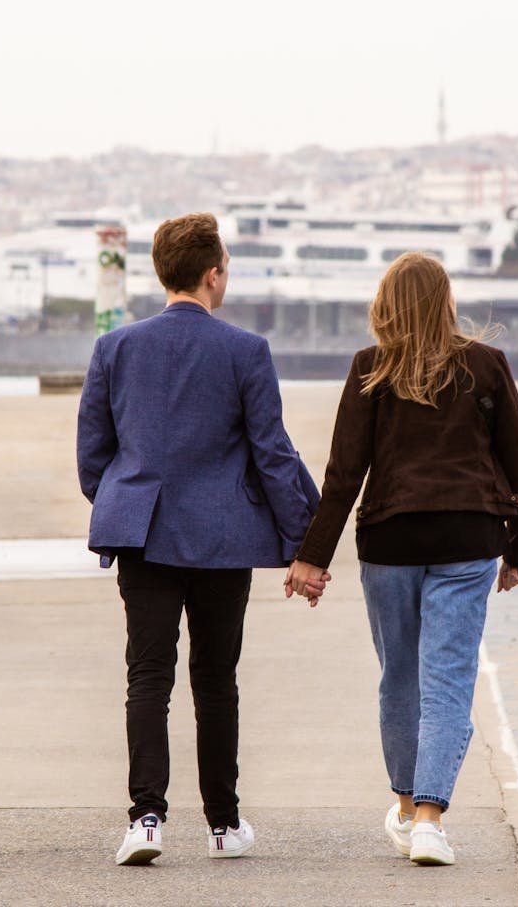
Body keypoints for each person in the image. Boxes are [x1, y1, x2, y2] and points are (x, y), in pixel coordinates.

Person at [77, 212, 325, 867]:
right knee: (216, 679)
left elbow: (91, 459)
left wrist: (123, 502)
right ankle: (223, 824)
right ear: (214, 274)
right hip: (221, 536)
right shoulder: (246, 350)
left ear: (164, 274)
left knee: (147, 675)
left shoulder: (115, 348)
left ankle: (146, 820)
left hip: (144, 531)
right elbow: (273, 455)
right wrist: (305, 545)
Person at [284, 252, 518, 866]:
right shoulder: (485, 365)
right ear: (445, 300)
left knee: (399, 676)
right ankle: (428, 821)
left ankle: (405, 807)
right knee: (446, 678)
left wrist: (311, 559)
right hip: (468, 537)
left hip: (391, 543)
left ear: (386, 303)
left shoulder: (371, 368)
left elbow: (345, 472)